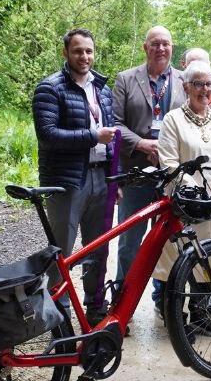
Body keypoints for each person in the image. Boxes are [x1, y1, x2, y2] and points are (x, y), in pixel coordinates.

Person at [32, 28, 118, 326]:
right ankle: (59, 316)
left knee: (98, 248)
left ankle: (95, 307)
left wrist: (114, 179)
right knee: (62, 252)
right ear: (66, 53)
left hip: (100, 180)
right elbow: (48, 135)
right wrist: (93, 136)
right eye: (78, 51)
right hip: (67, 181)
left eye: (89, 51)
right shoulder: (50, 89)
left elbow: (113, 140)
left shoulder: (103, 90)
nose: (84, 56)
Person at [152, 60, 211, 335]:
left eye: (208, 84)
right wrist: (198, 192)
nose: (203, 89)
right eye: (197, 84)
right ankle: (176, 319)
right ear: (186, 86)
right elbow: (168, 163)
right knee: (179, 262)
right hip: (185, 206)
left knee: (208, 259)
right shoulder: (173, 120)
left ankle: (201, 316)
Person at [112, 26, 188, 316]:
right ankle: (121, 308)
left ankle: (165, 301)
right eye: (155, 43)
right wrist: (142, 143)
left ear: (172, 48)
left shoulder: (184, 81)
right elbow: (116, 123)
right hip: (136, 175)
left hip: (171, 175)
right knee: (130, 243)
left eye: (166, 44)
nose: (160, 48)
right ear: (145, 47)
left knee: (170, 242)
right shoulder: (126, 79)